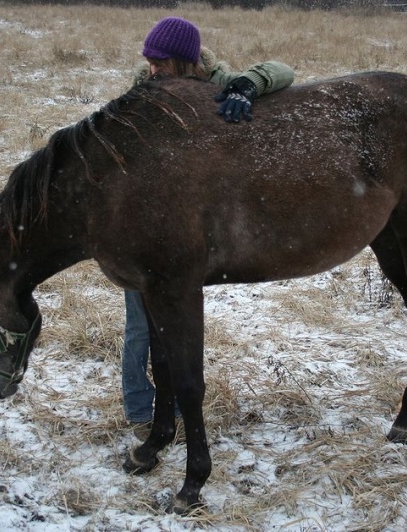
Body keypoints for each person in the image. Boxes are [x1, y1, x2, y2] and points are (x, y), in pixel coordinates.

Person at [122, 16, 295, 439]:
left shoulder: (217, 79)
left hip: (185, 221)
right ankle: (139, 407)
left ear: (186, 62)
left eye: (161, 63)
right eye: (149, 62)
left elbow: (284, 71)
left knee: (174, 326)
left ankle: (179, 406)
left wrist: (248, 85)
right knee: (140, 325)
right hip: (142, 222)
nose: (152, 70)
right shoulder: (139, 89)